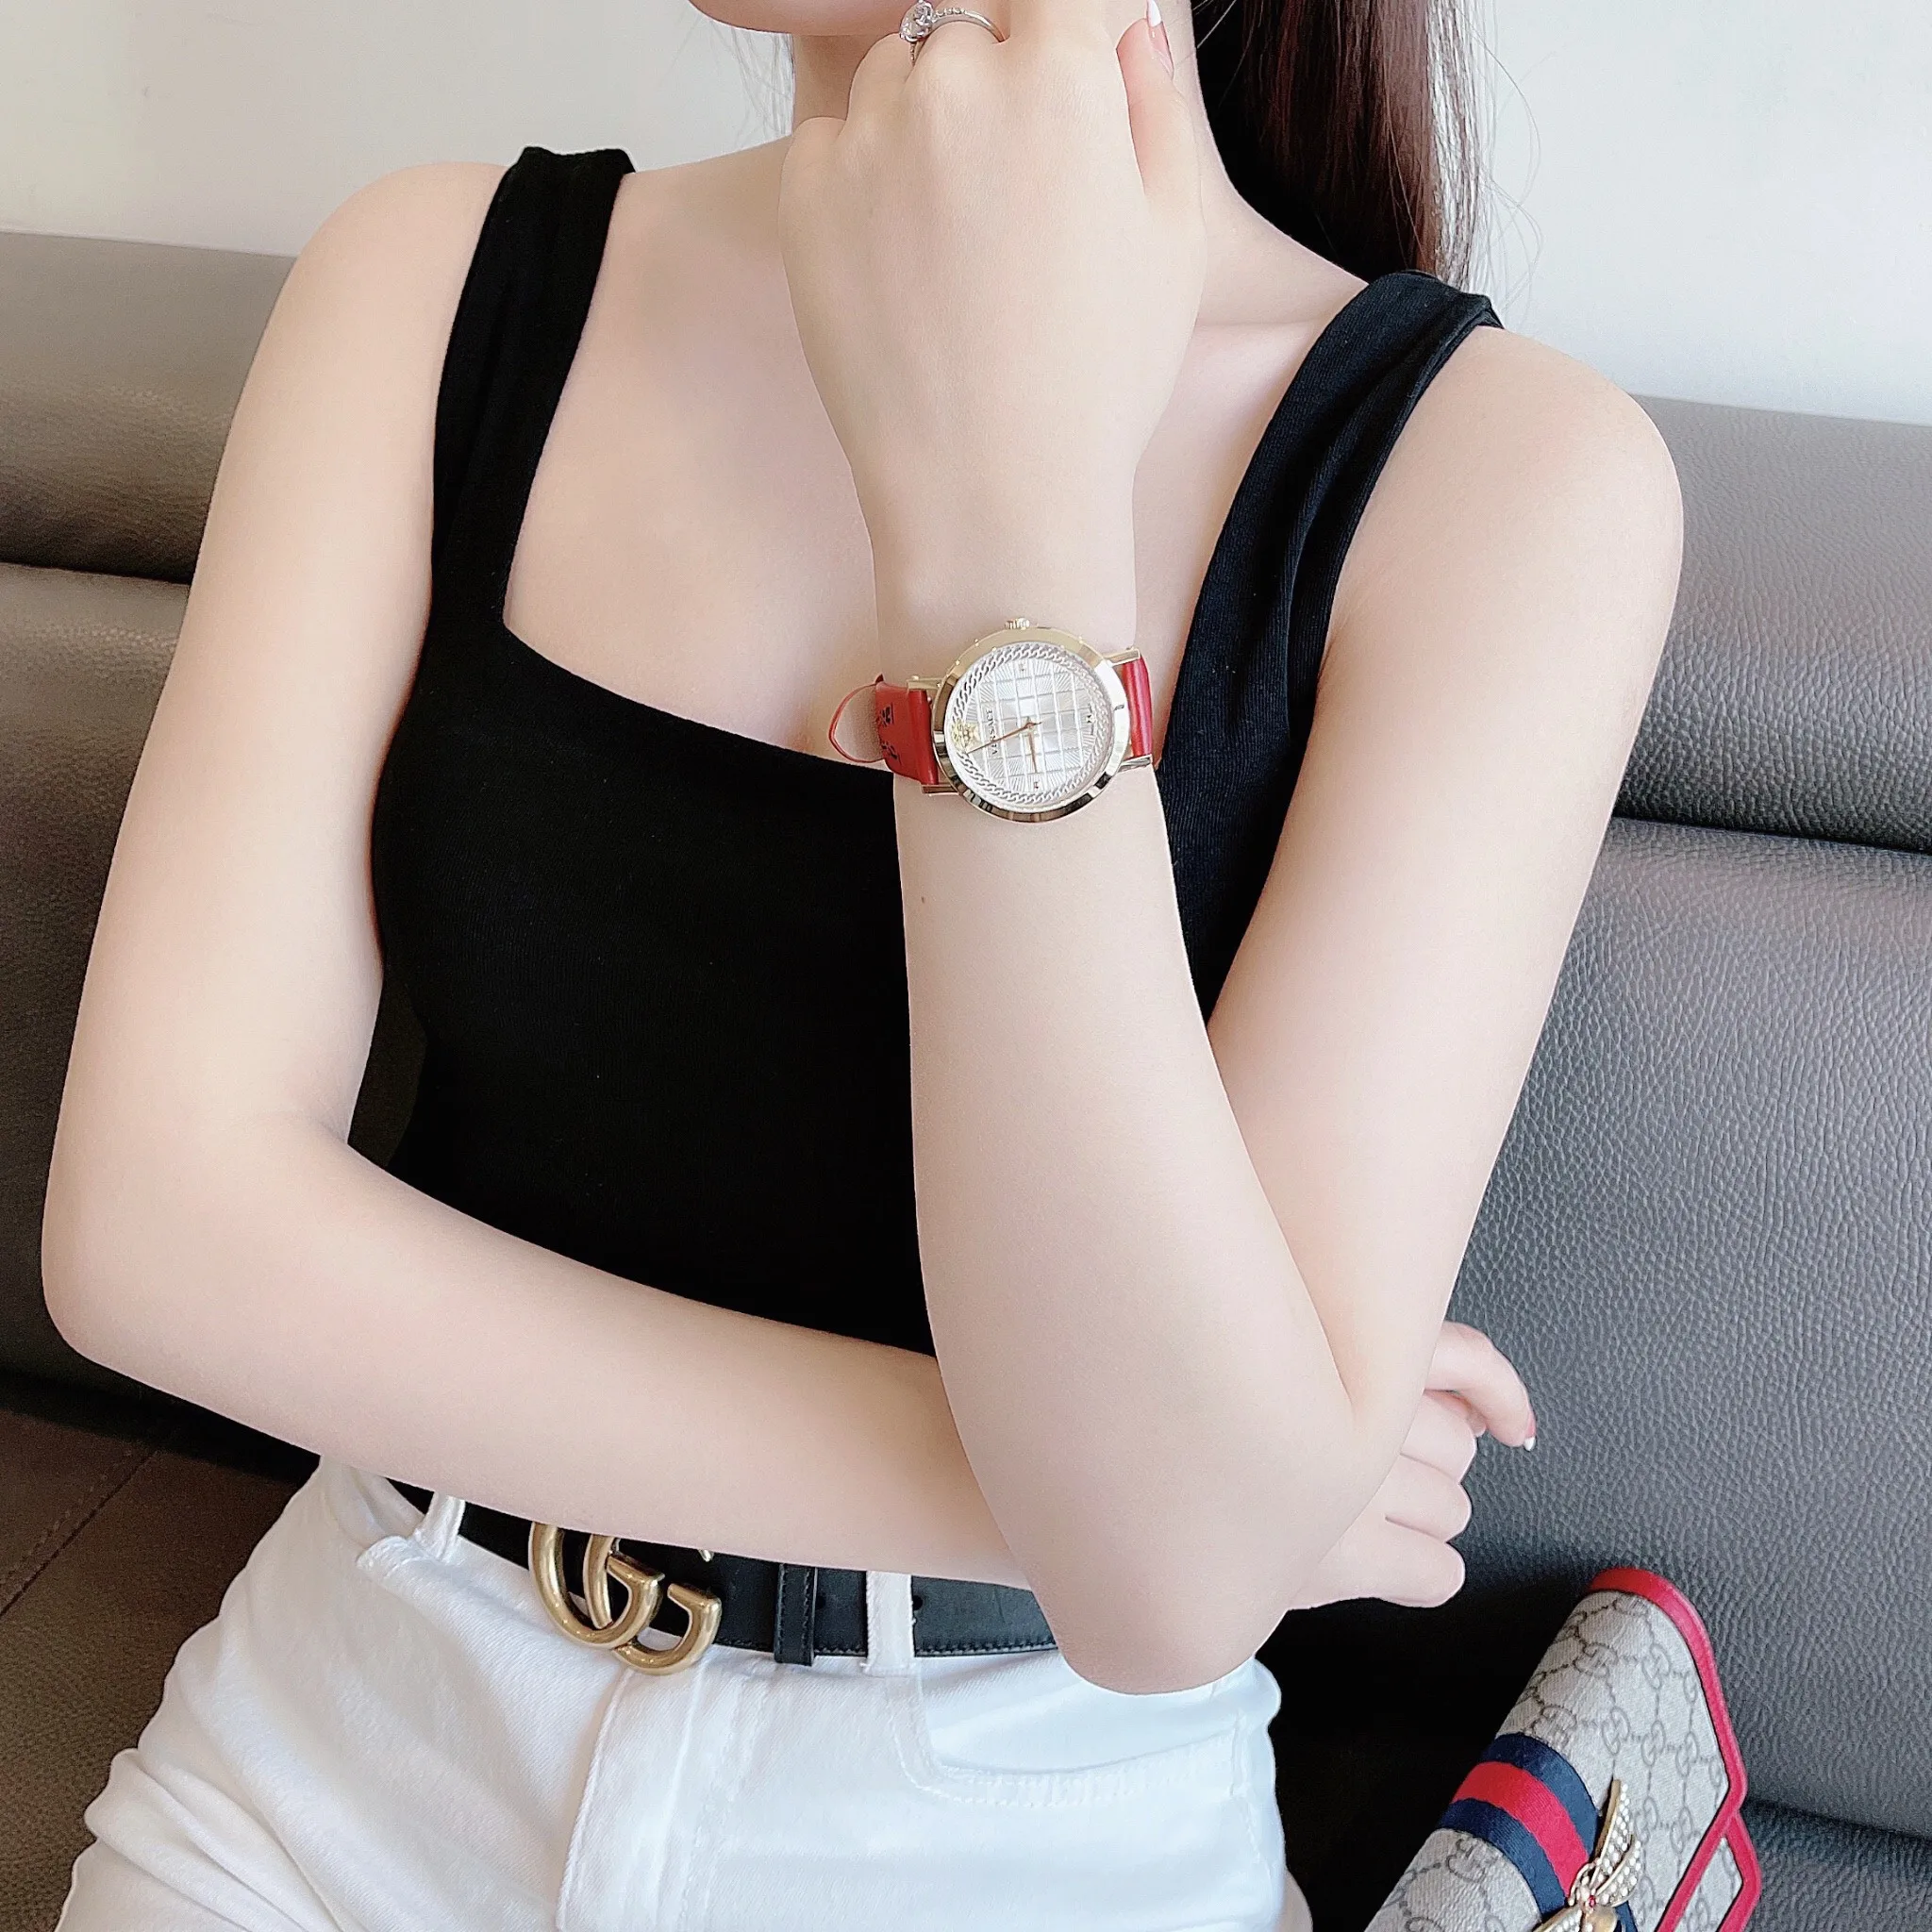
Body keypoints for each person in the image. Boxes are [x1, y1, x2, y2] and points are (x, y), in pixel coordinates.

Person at [40, 0, 1681, 1921]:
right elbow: (155, 1234)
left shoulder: (1500, 481)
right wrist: (1191, 1494)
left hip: (1027, 1825)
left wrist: (996, 523)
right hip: (335, 1767)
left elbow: (1170, 1582)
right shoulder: (431, 275)